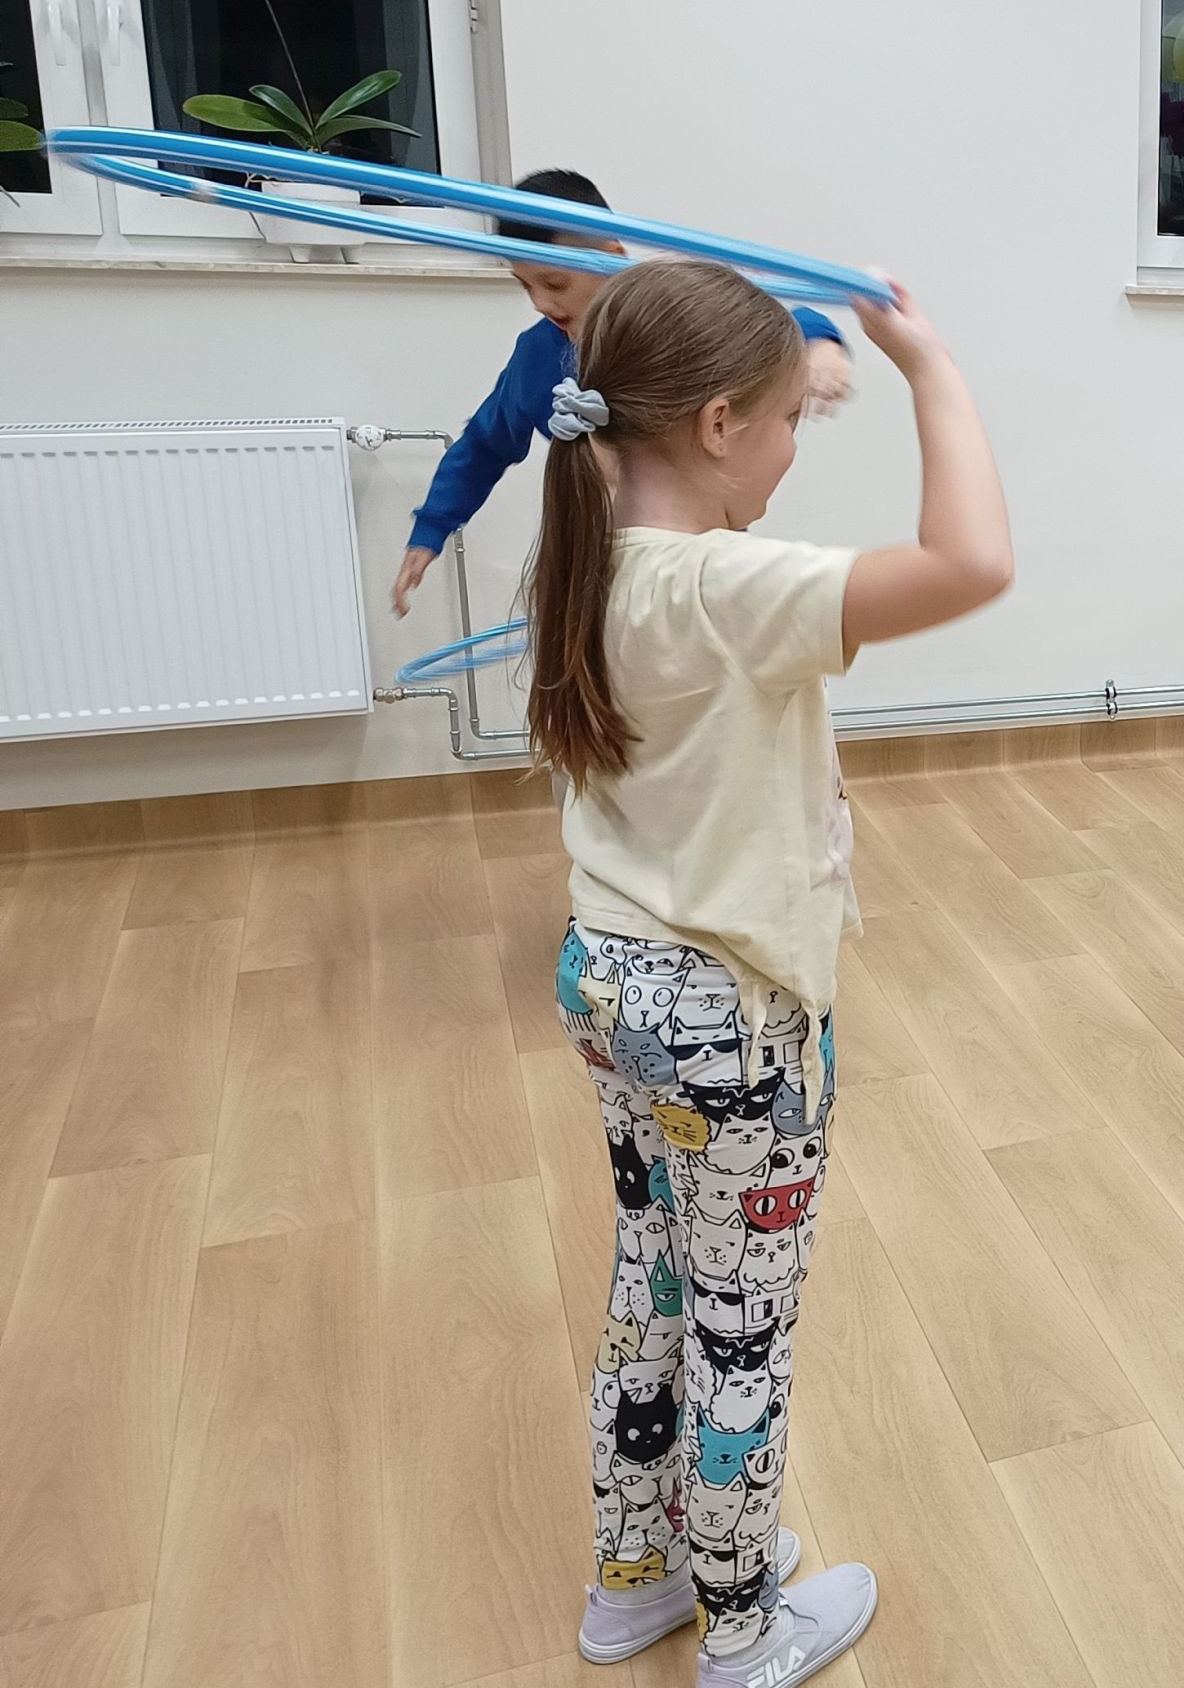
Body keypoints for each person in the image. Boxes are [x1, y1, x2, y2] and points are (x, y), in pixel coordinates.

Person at [532, 260, 1009, 1685]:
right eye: (795, 417)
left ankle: (635, 1580)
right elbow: (972, 563)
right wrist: (930, 366)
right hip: (726, 1022)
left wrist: (824, 364)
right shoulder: (726, 585)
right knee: (742, 1333)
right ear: (721, 423)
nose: (800, 445)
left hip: (612, 987)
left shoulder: (588, 550)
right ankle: (743, 1630)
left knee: (656, 1283)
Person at [390, 168, 855, 616]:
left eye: (555, 283)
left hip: (700, 565)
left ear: (612, 255)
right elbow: (484, 445)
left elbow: (765, 320)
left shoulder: (673, 316)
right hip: (605, 571)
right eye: (525, 285)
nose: (540, 302)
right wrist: (432, 527)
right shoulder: (536, 357)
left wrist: (819, 345)